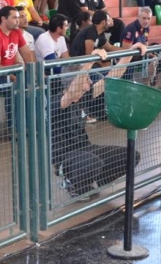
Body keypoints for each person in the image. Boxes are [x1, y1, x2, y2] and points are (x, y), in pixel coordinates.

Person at [50, 50, 139, 199]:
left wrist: (131, 52)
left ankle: (99, 180)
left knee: (132, 155)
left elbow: (112, 76)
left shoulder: (84, 96)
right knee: (93, 161)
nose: (90, 82)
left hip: (86, 149)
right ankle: (74, 185)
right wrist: (89, 62)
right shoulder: (59, 102)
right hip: (65, 158)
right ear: (75, 81)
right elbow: (72, 92)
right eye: (86, 79)